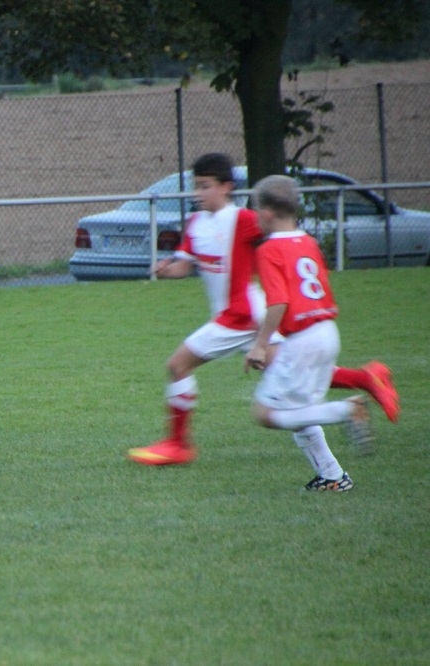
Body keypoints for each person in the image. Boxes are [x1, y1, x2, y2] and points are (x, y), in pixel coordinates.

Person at [127, 153, 397, 466]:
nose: (199, 193)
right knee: (293, 372)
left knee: (178, 365)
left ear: (226, 187)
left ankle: (178, 445)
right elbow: (185, 267)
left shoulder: (243, 219)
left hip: (241, 316)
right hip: (244, 318)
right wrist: (166, 270)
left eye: (205, 186)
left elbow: (280, 233)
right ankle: (365, 378)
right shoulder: (196, 223)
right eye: (196, 186)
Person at [244, 174, 372, 491]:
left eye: (256, 210)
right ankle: (333, 476)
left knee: (264, 413)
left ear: (267, 213)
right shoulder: (308, 242)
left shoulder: (269, 249)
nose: (255, 216)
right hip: (327, 332)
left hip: (302, 339)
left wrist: (260, 345)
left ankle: (347, 410)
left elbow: (278, 302)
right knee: (301, 411)